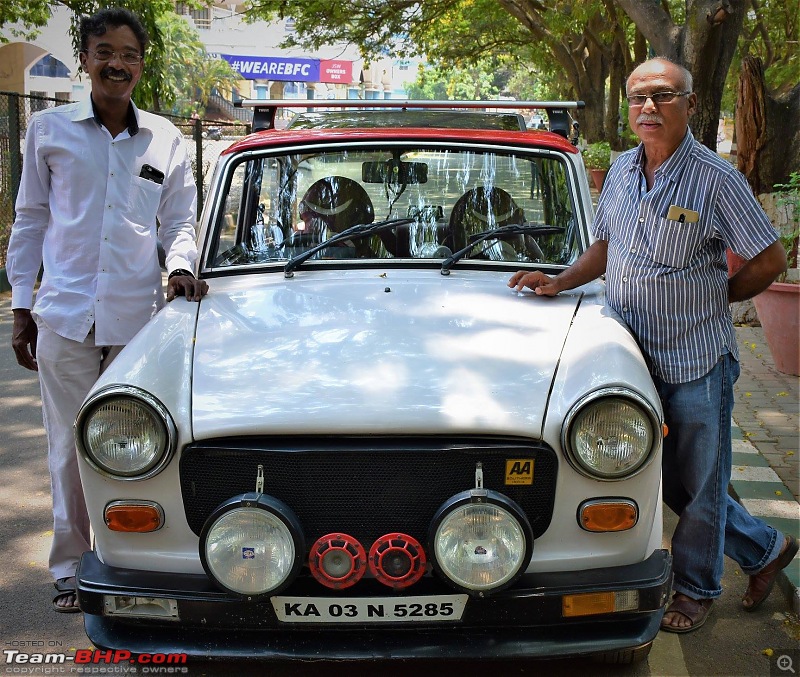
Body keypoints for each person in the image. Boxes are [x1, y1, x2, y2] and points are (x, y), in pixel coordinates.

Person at [508, 57, 797, 633]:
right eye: (639, 98)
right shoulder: (618, 171)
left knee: (700, 480)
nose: (648, 107)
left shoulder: (716, 179)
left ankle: (696, 588)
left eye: (663, 96)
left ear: (689, 104)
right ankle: (765, 549)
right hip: (627, 355)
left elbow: (770, 260)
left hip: (694, 359)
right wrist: (562, 280)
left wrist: (718, 298)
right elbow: (608, 245)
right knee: (662, 476)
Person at [7, 7, 208, 613]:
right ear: (86, 60)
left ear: (141, 65)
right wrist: (21, 306)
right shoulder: (49, 131)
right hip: (64, 315)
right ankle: (70, 566)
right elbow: (31, 220)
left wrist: (181, 268)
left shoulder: (166, 139)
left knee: (138, 443)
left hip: (139, 322)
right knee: (66, 448)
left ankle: (132, 561)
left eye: (128, 54)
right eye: (105, 52)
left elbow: (178, 222)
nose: (117, 64)